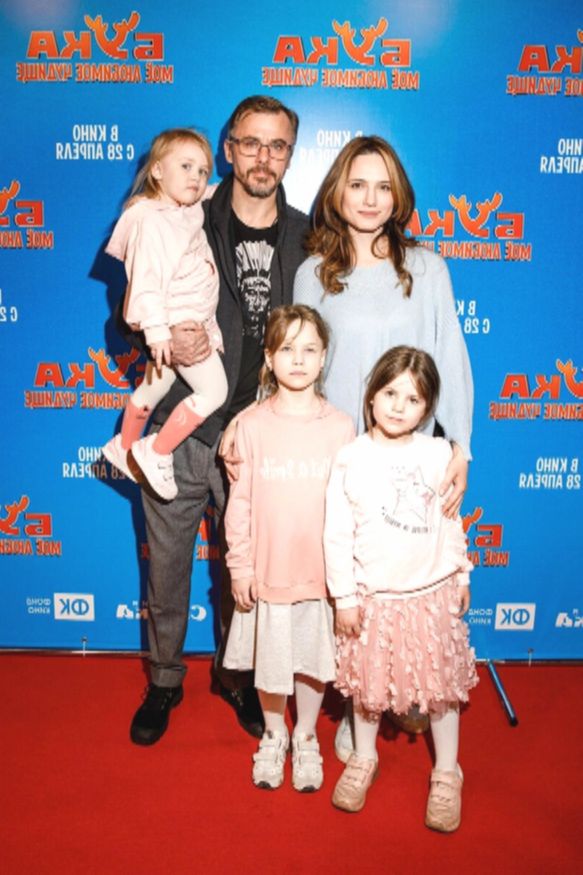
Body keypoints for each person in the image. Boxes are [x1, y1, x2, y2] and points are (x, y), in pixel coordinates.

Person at [126, 96, 309, 746]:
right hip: (182, 424)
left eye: (277, 145)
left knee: (246, 574)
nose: (263, 157)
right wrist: (164, 336)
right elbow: (137, 295)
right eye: (250, 142)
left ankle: (239, 677)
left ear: (289, 155)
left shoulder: (307, 235)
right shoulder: (183, 213)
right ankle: (164, 679)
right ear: (228, 149)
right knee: (168, 565)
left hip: (259, 436)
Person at [292, 134, 473, 750]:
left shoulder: (428, 268)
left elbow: (449, 355)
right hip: (337, 456)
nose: (370, 199)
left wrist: (461, 446)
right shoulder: (312, 273)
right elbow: (296, 361)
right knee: (348, 586)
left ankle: (400, 692)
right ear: (337, 192)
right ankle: (357, 702)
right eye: (358, 185)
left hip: (408, 458)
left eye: (383, 187)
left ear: (399, 197)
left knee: (401, 582)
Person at [324, 346, 478, 830]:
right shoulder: (350, 457)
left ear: (427, 408)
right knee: (368, 688)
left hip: (431, 596)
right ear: (371, 394)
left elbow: (451, 521)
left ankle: (447, 771)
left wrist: (461, 573)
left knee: (441, 690)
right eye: (390, 393)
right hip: (373, 599)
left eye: (413, 399)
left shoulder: (437, 454)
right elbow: (336, 533)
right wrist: (344, 597)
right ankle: (364, 757)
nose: (398, 406)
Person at [223, 305, 354, 791]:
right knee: (273, 660)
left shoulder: (341, 427)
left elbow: (349, 508)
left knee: (313, 662)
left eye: (309, 349)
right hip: (268, 572)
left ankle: (306, 736)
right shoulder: (252, 425)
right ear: (268, 358)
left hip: (319, 575)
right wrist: (240, 566)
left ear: (323, 357)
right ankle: (274, 733)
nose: (298, 359)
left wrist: (346, 579)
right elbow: (239, 504)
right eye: (286, 349)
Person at [103, 128, 227, 500]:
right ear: (157, 171)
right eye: (186, 166)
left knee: (154, 385)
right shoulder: (151, 220)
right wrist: (157, 332)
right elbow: (145, 280)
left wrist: (222, 187)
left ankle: (124, 446)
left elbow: (206, 192)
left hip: (184, 316)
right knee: (214, 391)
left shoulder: (181, 209)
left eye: (203, 171)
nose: (197, 177)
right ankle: (156, 451)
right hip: (178, 322)